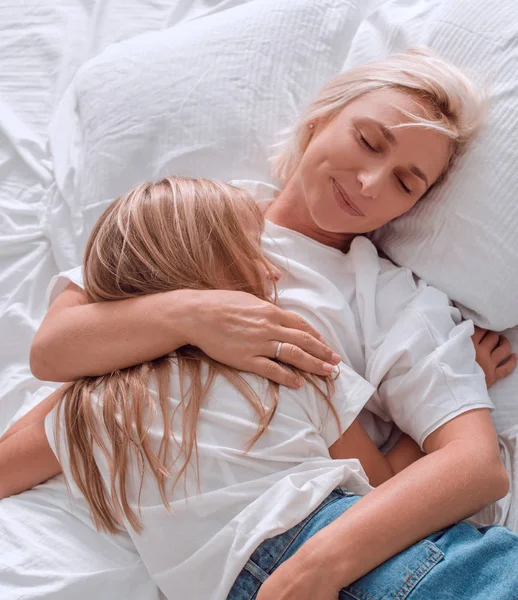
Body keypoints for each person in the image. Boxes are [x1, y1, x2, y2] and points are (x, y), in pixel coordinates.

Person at [17, 48, 518, 598]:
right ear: (319, 120)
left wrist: (313, 568)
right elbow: (53, 353)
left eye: (406, 183)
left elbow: (474, 466)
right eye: (369, 141)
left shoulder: (388, 299)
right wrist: (195, 314)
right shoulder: (190, 223)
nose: (372, 182)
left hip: (352, 551)